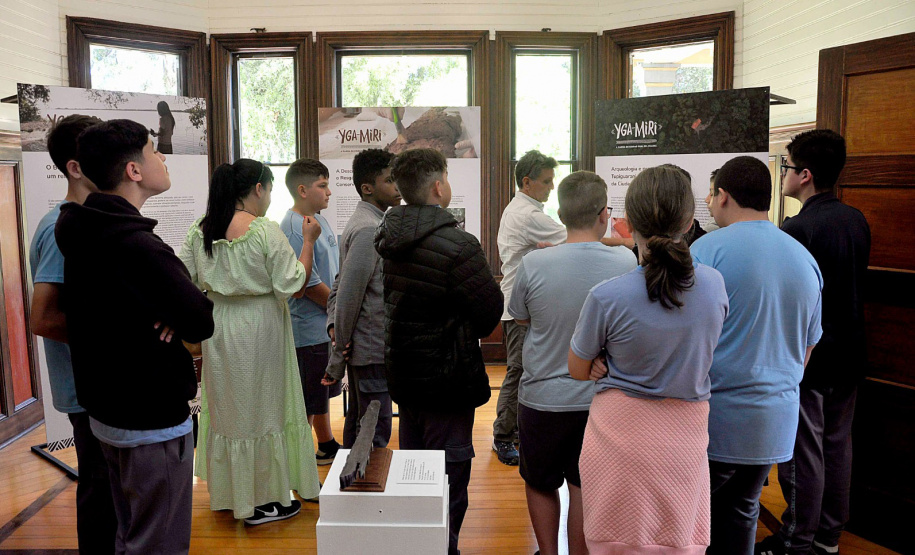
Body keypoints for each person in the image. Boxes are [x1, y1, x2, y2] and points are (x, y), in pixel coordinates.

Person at [57, 119, 214, 554]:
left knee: (130, 534)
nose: (162, 156)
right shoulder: (138, 246)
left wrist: (169, 308)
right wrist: (178, 307)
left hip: (110, 411)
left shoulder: (81, 229)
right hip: (150, 418)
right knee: (157, 541)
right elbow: (200, 320)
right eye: (153, 149)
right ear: (134, 171)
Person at [568, 165, 728, 554]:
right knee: (679, 543)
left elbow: (576, 369)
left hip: (618, 438)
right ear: (690, 220)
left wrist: (601, 360)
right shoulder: (714, 284)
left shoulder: (608, 295)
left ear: (629, 224)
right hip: (685, 440)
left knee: (613, 544)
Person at [691, 156, 823, 555]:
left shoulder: (705, 250)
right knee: (744, 512)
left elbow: (682, 339)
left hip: (717, 418)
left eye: (712, 195)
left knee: (695, 521)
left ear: (723, 197)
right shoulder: (804, 258)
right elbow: (807, 349)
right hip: (775, 421)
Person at [180, 158, 322, 525]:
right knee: (265, 408)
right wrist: (308, 242)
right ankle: (265, 502)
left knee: (231, 410)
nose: (271, 197)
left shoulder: (200, 230)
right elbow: (294, 283)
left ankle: (234, 494)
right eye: (270, 189)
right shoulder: (263, 231)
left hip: (220, 326)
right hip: (260, 327)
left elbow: (184, 278)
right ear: (258, 188)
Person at [375, 148, 502, 555]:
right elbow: (488, 313)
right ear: (438, 186)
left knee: (415, 473)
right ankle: (444, 548)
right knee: (449, 477)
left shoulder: (389, 238)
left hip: (405, 375)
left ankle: (419, 545)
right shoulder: (460, 245)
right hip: (447, 378)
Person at [508, 171, 637, 555]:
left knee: (540, 481)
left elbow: (520, 317)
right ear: (603, 214)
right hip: (600, 399)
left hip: (543, 398)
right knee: (585, 484)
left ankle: (549, 552)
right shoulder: (625, 262)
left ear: (561, 214)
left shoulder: (534, 263)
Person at [756, 130, 870, 555]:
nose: (781, 174)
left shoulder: (797, 228)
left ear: (804, 176)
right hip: (852, 354)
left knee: (803, 452)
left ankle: (797, 539)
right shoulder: (856, 219)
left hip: (811, 358)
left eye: (784, 166)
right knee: (838, 446)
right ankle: (827, 539)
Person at [29, 114, 117, 554]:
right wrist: (116, 339)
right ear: (76, 166)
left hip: (98, 386)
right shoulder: (61, 226)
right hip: (87, 390)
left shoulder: (90, 220)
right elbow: (43, 318)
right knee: (101, 491)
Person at [493, 149, 566, 465]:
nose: (551, 188)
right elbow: (578, 237)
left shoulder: (522, 210)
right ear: (527, 181)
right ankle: (503, 436)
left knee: (525, 370)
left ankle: (516, 433)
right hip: (518, 308)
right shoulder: (528, 215)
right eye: (547, 181)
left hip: (521, 305)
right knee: (519, 370)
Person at [322, 148, 399, 448]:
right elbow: (349, 295)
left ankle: (353, 489)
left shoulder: (368, 221)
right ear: (368, 188)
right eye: (389, 181)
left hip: (367, 348)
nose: (397, 187)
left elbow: (341, 285)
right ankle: (362, 491)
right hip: (370, 350)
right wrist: (337, 354)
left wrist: (333, 327)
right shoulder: (369, 228)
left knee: (362, 424)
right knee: (372, 433)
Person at [279, 158, 342, 465]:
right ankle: (297, 464)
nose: (329, 192)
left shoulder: (318, 219)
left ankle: (326, 443)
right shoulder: (293, 227)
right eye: (322, 185)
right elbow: (307, 284)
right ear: (302, 190)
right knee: (306, 399)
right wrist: (340, 310)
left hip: (323, 325)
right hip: (307, 330)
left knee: (320, 391)